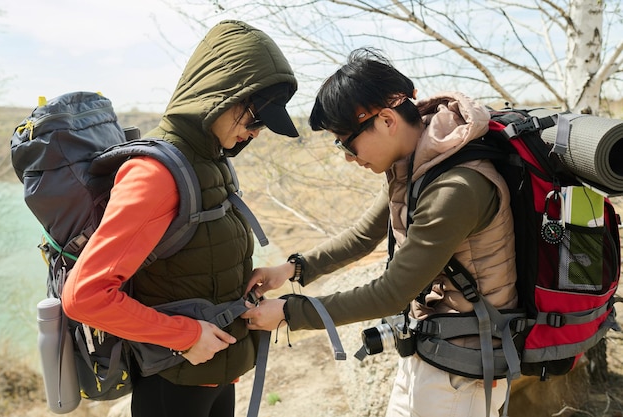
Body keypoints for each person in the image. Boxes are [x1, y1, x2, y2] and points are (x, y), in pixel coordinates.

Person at [241, 48, 517, 417]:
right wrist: (291, 270)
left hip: (461, 372)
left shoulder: (456, 187)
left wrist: (291, 313)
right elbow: (363, 236)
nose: (347, 157)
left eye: (346, 141)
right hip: (431, 350)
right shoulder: (415, 164)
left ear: (386, 120)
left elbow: (390, 293)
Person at [62, 20, 298, 417]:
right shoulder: (155, 174)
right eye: (256, 119)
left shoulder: (210, 160)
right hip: (173, 387)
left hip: (216, 375)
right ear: (222, 96)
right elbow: (84, 296)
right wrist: (185, 336)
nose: (257, 133)